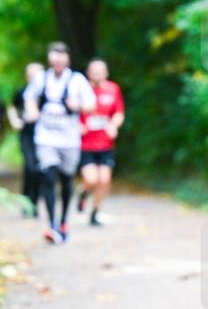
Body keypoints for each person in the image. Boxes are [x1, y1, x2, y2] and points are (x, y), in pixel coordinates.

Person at [24, 42, 96, 244]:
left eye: (61, 57)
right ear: (49, 59)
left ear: (67, 59)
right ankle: (51, 225)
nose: (58, 61)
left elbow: (91, 105)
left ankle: (64, 221)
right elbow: (29, 97)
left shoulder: (77, 80)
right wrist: (32, 110)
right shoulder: (41, 78)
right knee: (48, 175)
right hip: (46, 138)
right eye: (54, 57)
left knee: (66, 180)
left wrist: (78, 105)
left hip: (69, 139)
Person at [77, 58, 125, 226]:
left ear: (106, 73)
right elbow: (72, 112)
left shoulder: (113, 89)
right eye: (94, 71)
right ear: (88, 73)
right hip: (86, 145)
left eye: (100, 71)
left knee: (104, 180)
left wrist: (113, 125)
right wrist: (78, 125)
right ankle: (83, 193)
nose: (97, 74)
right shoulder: (82, 91)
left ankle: (95, 212)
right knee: (91, 180)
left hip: (105, 144)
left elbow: (119, 112)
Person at [10, 62, 44, 216]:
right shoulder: (22, 92)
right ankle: (27, 203)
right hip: (27, 133)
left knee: (38, 169)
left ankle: (34, 203)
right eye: (31, 74)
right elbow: (11, 106)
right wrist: (15, 121)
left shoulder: (47, 93)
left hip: (44, 135)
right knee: (29, 167)